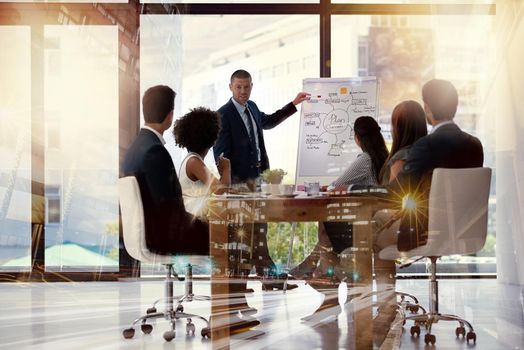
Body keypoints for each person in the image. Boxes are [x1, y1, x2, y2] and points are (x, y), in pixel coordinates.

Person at [213, 69, 310, 289]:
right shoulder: (223, 115)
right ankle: (241, 285)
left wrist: (293, 104)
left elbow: (269, 121)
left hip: (258, 180)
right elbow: (220, 154)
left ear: (251, 86)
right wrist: (229, 186)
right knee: (244, 235)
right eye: (238, 87)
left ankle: (268, 278)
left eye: (246, 86)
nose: (243, 91)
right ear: (230, 87)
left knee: (259, 230)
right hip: (239, 185)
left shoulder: (253, 107)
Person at [295, 116, 389, 322]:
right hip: (375, 221)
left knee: (325, 221)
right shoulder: (383, 157)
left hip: (363, 225)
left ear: (357, 137)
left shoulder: (365, 159)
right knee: (327, 227)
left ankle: (317, 277)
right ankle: (313, 270)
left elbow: (338, 184)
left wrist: (328, 188)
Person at [122, 85, 209, 255]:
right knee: (229, 235)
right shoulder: (155, 151)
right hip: (164, 238)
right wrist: (203, 224)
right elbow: (170, 210)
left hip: (146, 235)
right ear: (170, 116)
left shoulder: (133, 149)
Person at [173, 107, 231, 218]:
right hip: (191, 227)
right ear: (212, 139)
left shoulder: (193, 160)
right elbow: (220, 190)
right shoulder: (194, 162)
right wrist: (227, 168)